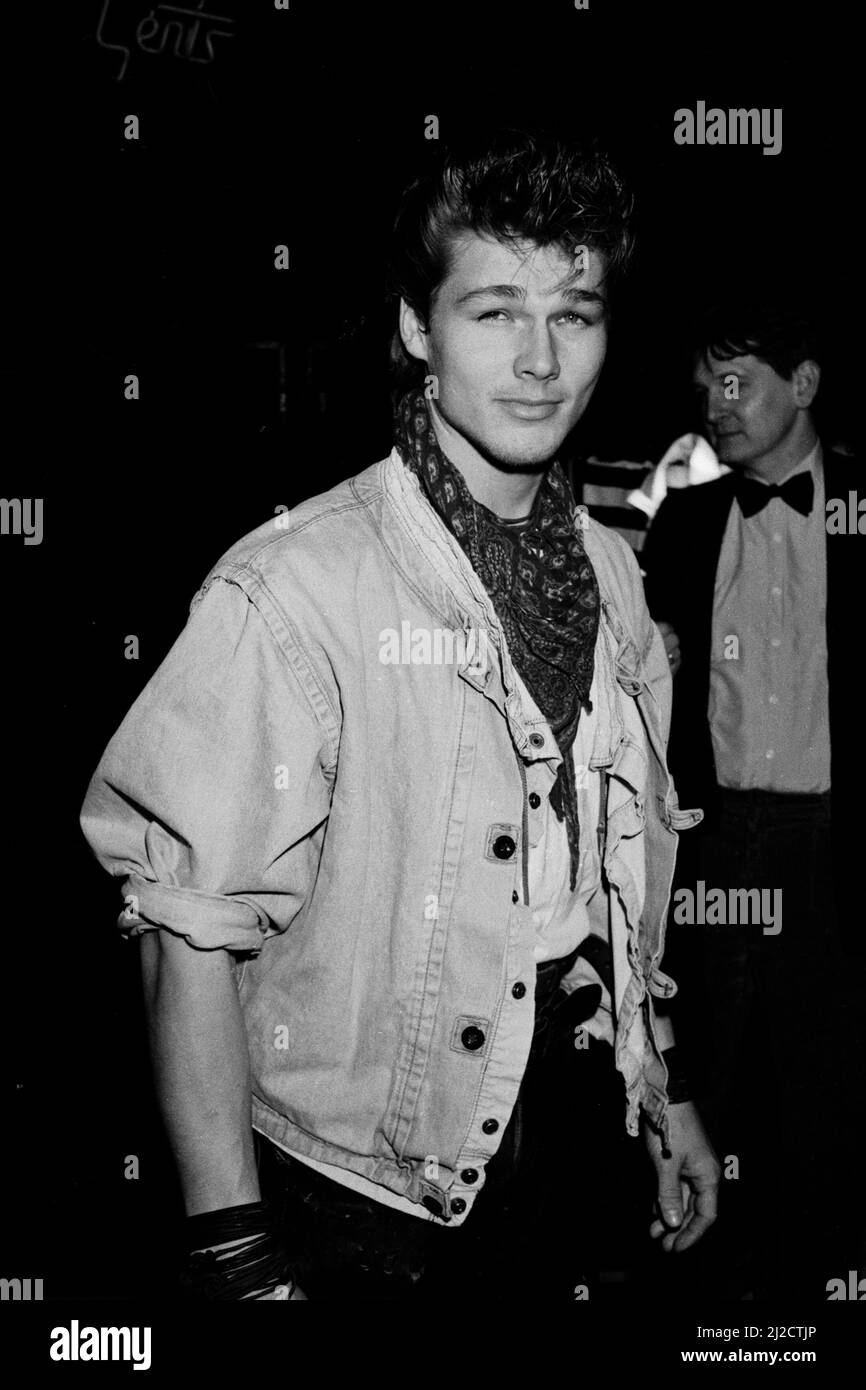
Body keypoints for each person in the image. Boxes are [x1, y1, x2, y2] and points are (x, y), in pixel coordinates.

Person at [79, 127, 720, 1302]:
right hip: (349, 1191)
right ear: (417, 329)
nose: (538, 360)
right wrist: (233, 1253)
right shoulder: (292, 588)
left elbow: (611, 886)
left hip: (568, 1128)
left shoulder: (613, 576)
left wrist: (660, 1088)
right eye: (492, 313)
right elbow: (185, 930)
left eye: (572, 315)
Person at [642, 301, 866, 1299]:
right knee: (710, 1088)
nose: (714, 406)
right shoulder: (684, 522)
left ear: (803, 384)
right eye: (705, 387)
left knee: (830, 1111)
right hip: (716, 847)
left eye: (734, 382)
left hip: (831, 851)